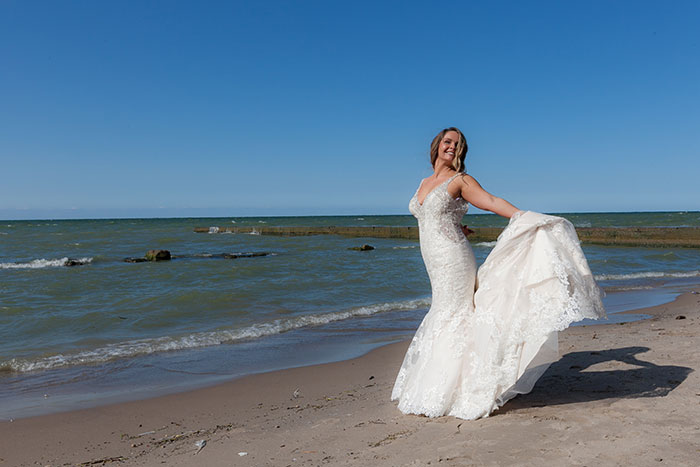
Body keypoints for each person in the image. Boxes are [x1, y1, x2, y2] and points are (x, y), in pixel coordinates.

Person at [391, 127, 605, 420]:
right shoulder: (424, 182)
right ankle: (439, 380)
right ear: (437, 145)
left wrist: (523, 217)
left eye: (458, 144)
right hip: (434, 261)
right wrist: (455, 224)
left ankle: (464, 386)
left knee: (455, 313)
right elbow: (432, 217)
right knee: (442, 311)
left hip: (454, 259)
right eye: (448, 142)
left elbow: (490, 202)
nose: (452, 147)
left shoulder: (460, 180)